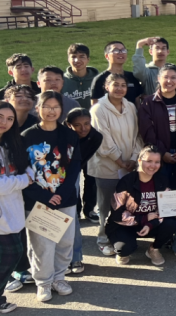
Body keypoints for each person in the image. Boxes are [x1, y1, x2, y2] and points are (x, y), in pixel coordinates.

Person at [22, 91, 81, 303]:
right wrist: (44, 196)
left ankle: (59, 277)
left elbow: (75, 166)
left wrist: (62, 193)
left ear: (61, 110)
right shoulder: (27, 136)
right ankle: (43, 282)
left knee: (65, 242)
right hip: (38, 199)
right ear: (37, 108)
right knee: (41, 244)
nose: (51, 111)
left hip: (65, 198)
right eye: (46, 106)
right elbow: (22, 170)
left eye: (55, 107)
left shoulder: (69, 135)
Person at [88, 73, 142, 255]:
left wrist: (134, 159)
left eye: (123, 85)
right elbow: (103, 140)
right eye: (115, 85)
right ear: (106, 86)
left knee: (126, 203)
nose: (119, 88)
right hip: (107, 167)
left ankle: (123, 235)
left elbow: (137, 135)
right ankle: (103, 238)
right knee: (105, 205)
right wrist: (120, 161)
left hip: (129, 165)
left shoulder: (131, 106)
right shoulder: (98, 109)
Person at [0, 101, 33, 314]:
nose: (4, 122)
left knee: (7, 254)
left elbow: (27, 168)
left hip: (12, 208)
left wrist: (27, 175)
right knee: (8, 254)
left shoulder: (12, 145)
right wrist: (23, 180)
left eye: (9, 118)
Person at [105, 146, 176, 267]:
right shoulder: (126, 181)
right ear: (139, 161)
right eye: (149, 161)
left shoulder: (162, 180)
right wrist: (142, 219)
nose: (153, 165)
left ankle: (153, 249)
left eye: (157, 162)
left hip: (151, 222)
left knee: (171, 223)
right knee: (124, 249)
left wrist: (150, 224)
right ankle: (124, 247)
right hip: (126, 224)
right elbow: (117, 213)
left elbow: (165, 208)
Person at [64, 108, 103, 273]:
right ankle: (62, 258)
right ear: (69, 125)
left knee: (71, 217)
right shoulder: (63, 134)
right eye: (77, 125)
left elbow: (82, 159)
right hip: (57, 174)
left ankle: (75, 257)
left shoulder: (96, 137)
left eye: (86, 124)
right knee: (64, 217)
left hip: (73, 171)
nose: (83, 128)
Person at [62, 43, 99, 108]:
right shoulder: (61, 80)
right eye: (73, 57)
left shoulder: (99, 79)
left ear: (88, 59)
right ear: (68, 59)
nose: (77, 60)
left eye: (82, 57)